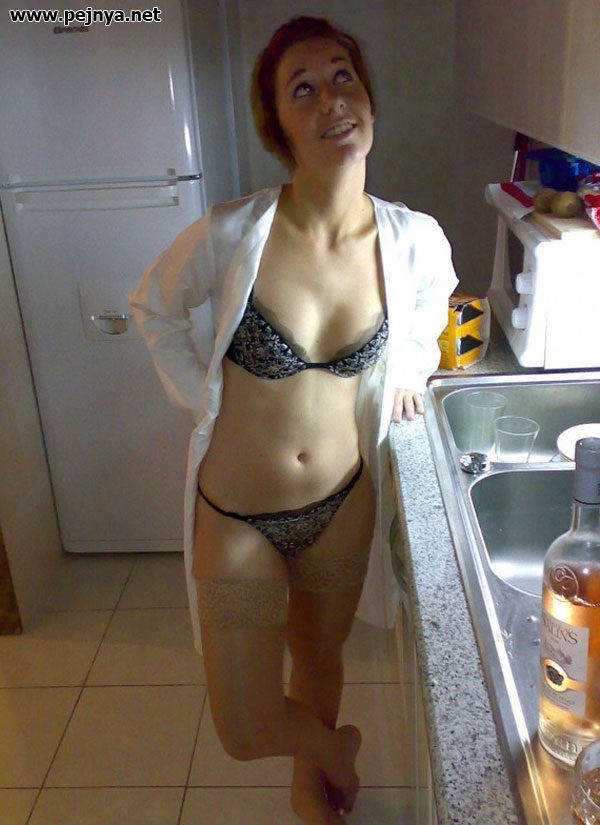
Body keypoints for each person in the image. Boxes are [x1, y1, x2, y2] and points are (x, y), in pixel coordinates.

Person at [129, 15, 457, 824]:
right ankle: (333, 751)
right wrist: (201, 396)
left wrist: (410, 369)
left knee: (317, 664)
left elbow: (431, 305)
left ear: (368, 99)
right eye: (302, 90)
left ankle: (311, 790)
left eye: (343, 76)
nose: (331, 101)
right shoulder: (233, 231)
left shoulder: (412, 239)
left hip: (341, 507)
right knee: (243, 726)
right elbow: (153, 305)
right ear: (278, 126)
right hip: (237, 515)